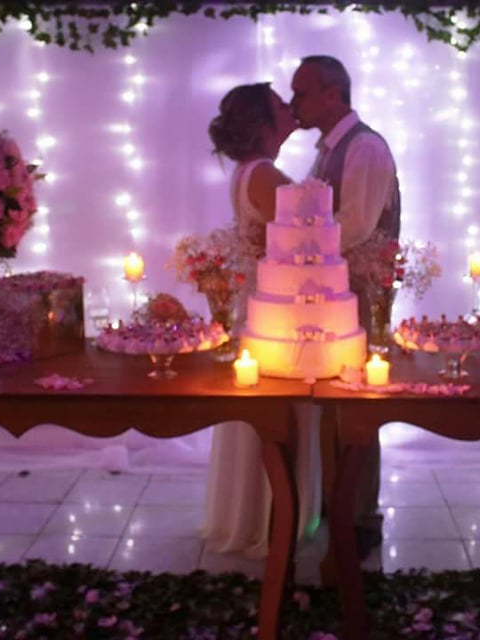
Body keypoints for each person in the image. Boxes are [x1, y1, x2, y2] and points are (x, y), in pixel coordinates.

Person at [201, 82, 323, 557]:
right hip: (279, 310)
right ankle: (274, 516)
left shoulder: (248, 171)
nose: (290, 107)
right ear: (262, 123)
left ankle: (250, 512)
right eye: (279, 105)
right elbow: (304, 243)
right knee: (277, 414)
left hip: (259, 303)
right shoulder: (266, 176)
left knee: (257, 414)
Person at [291, 55, 401, 557]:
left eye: (301, 93)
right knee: (332, 407)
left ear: (332, 94)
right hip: (335, 297)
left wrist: (298, 243)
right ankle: (336, 507)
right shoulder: (329, 150)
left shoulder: (365, 148)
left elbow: (355, 226)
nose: (294, 103)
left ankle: (360, 519)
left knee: (357, 406)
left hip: (363, 295)